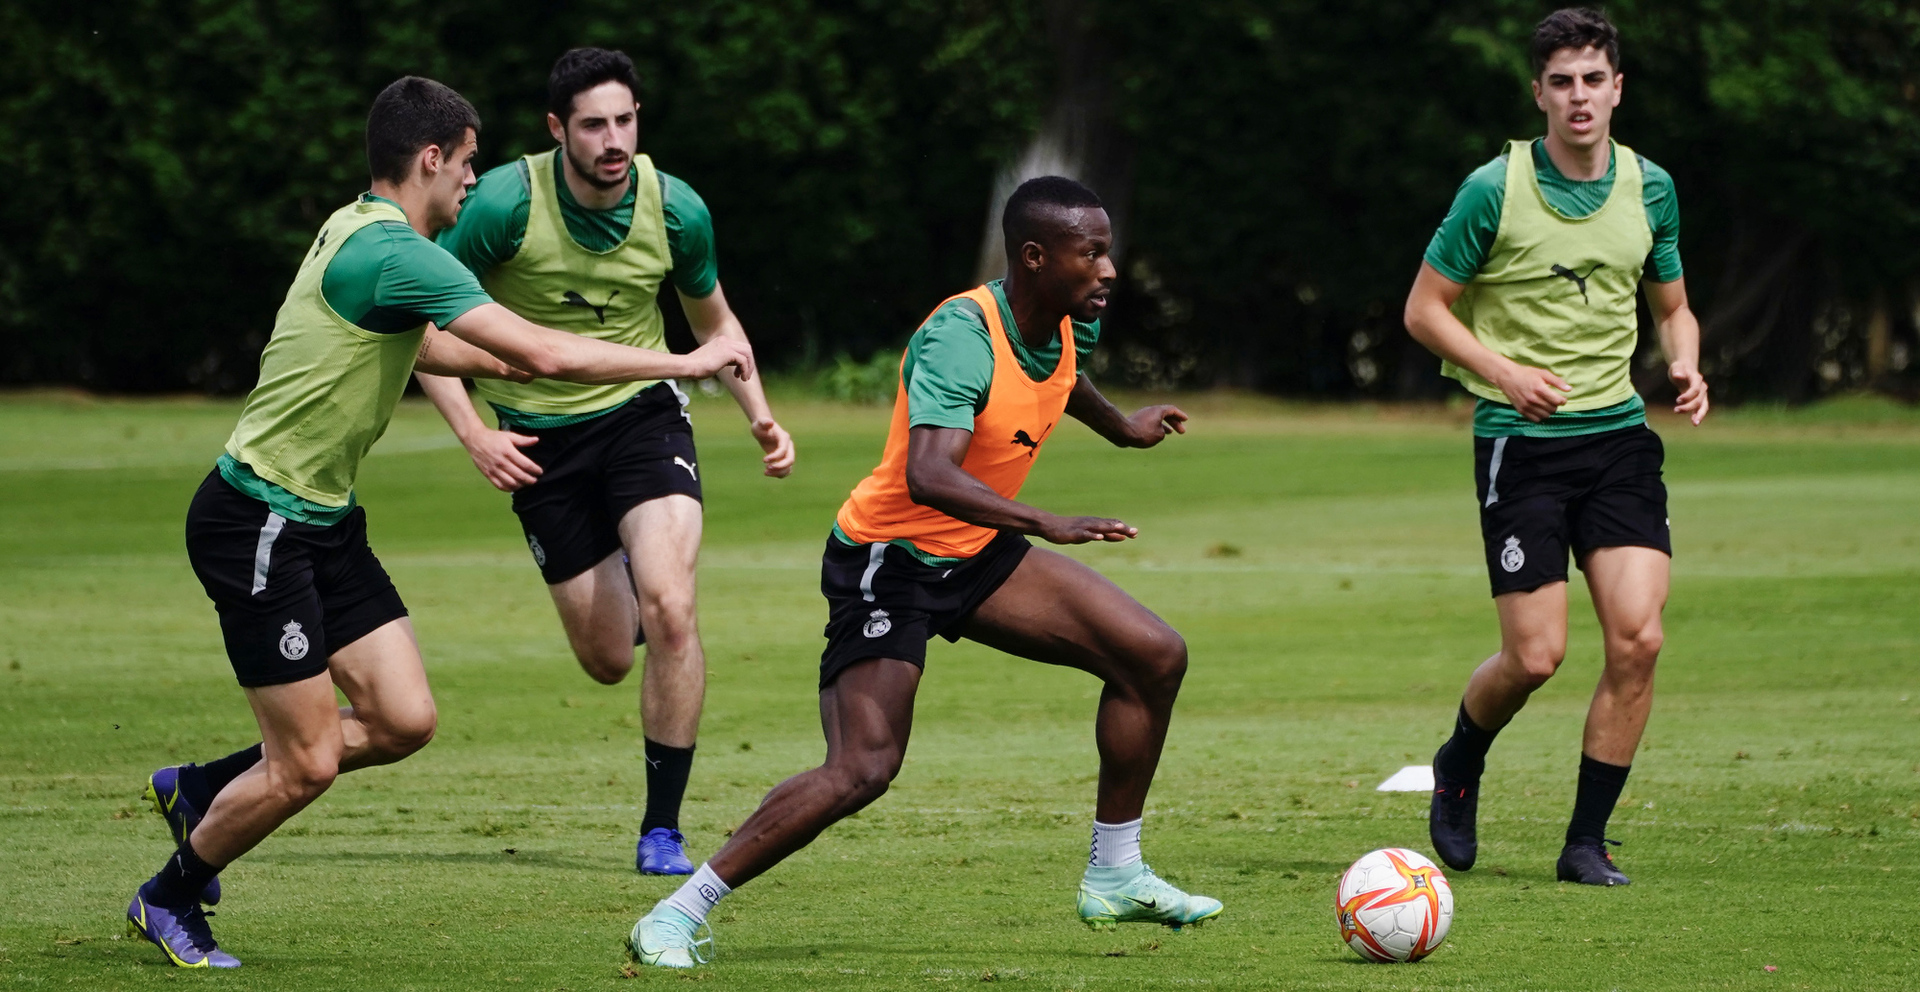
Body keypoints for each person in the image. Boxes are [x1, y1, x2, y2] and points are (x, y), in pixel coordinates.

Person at [129, 76, 756, 969]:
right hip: (257, 521)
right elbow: (539, 346)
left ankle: (198, 789)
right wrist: (684, 360)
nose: (472, 182)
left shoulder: (356, 227)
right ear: (431, 158)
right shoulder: (400, 252)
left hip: (323, 520)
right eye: (465, 165)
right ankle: (169, 894)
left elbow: (429, 343)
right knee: (304, 763)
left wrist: (524, 370)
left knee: (402, 719)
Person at [625, 176, 1222, 969]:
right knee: (863, 769)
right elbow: (929, 476)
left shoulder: (1067, 317)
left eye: (1107, 251)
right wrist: (1046, 521)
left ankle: (1115, 874)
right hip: (891, 559)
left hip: (975, 550)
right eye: (1093, 253)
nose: (1109, 269)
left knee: (1153, 655)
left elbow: (1057, 376)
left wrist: (1123, 429)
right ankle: (677, 910)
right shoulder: (960, 333)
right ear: (1036, 257)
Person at [415, 48, 793, 876]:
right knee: (608, 659)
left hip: (643, 418)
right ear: (559, 130)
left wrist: (761, 417)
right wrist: (475, 432)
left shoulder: (676, 209)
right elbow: (418, 330)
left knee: (671, 605)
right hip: (540, 442)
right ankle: (625, 565)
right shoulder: (503, 207)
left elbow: (715, 326)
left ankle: (663, 829)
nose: (613, 138)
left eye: (625, 120)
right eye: (593, 124)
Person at [1402, 7, 1709, 887]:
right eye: (1562, 82)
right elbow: (1424, 311)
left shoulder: (1651, 187)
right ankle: (1460, 762)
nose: (1579, 97)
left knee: (1639, 640)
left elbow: (1673, 305)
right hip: (1521, 444)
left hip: (1618, 440)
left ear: (1618, 89)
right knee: (1536, 656)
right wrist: (1503, 373)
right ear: (1539, 93)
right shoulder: (1491, 189)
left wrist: (1684, 364)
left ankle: (1585, 842)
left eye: (1594, 80)